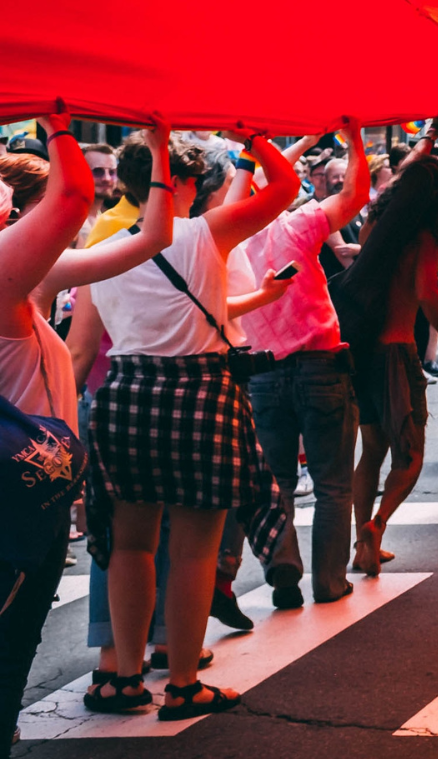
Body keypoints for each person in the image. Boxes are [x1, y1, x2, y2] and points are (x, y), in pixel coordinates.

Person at [82, 126, 299, 719]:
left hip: (124, 392)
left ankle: (124, 680)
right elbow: (288, 185)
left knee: (129, 546)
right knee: (195, 551)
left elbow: (84, 345)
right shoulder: (206, 232)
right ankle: (182, 682)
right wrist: (249, 135)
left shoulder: (102, 249)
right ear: (179, 181)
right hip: (201, 391)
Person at [0, 110, 176, 739]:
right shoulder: (3, 273)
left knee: (16, 648)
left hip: (35, 491)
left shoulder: (28, 279)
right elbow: (76, 195)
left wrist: (157, 157)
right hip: (11, 495)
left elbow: (150, 239)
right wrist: (57, 118)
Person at [234, 121, 371, 608]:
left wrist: (285, 146)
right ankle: (330, 582)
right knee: (333, 482)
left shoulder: (228, 240)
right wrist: (353, 139)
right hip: (320, 365)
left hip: (263, 372)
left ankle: (282, 563)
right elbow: (355, 194)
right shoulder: (300, 223)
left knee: (278, 481)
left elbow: (273, 182)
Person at [339, 153, 438, 576]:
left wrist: (428, 140)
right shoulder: (422, 238)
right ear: (429, 196)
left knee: (373, 451)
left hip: (362, 353)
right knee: (411, 457)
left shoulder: (374, 227)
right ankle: (376, 525)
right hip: (397, 354)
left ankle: (362, 544)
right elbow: (427, 293)